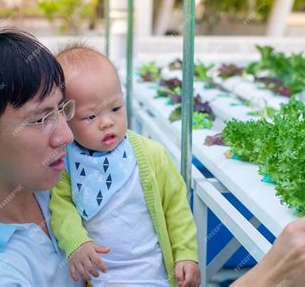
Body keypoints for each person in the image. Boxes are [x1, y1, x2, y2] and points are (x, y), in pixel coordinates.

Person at [0, 29, 305, 287]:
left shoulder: (47, 183)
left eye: (62, 110)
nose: (67, 135)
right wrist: (271, 277)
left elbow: (172, 207)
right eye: (39, 119)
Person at [49, 44, 200, 287]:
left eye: (116, 109)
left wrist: (186, 254)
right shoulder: (66, 165)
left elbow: (177, 208)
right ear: (65, 117)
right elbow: (61, 208)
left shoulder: (152, 155)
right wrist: (76, 241)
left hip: (153, 273)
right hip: (101, 276)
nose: (107, 122)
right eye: (90, 116)